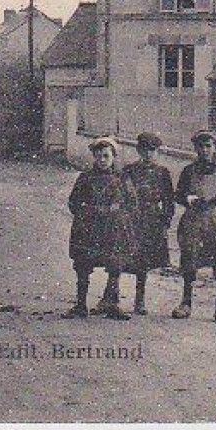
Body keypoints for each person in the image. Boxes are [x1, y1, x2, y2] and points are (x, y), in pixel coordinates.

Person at [171, 130, 216, 324]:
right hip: (193, 219)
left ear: (214, 148)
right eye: (201, 146)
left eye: (208, 146)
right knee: (189, 258)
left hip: (214, 218)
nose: (204, 150)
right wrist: (188, 199)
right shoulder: (188, 170)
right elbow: (178, 194)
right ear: (195, 148)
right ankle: (186, 302)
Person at [66, 137, 135, 320]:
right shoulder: (85, 178)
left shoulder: (122, 179)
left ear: (113, 157)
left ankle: (111, 304)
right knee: (83, 264)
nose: (102, 160)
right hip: (89, 229)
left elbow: (132, 203)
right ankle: (81, 305)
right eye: (98, 156)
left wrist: (119, 210)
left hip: (113, 229)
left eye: (106, 156)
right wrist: (90, 210)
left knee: (115, 264)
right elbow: (73, 203)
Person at [121, 131, 175, 315]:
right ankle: (111, 296)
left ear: (157, 151)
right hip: (132, 216)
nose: (148, 154)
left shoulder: (162, 172)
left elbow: (168, 199)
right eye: (144, 150)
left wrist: (166, 221)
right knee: (123, 256)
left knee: (144, 260)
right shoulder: (129, 170)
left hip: (152, 218)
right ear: (138, 150)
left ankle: (140, 299)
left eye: (152, 150)